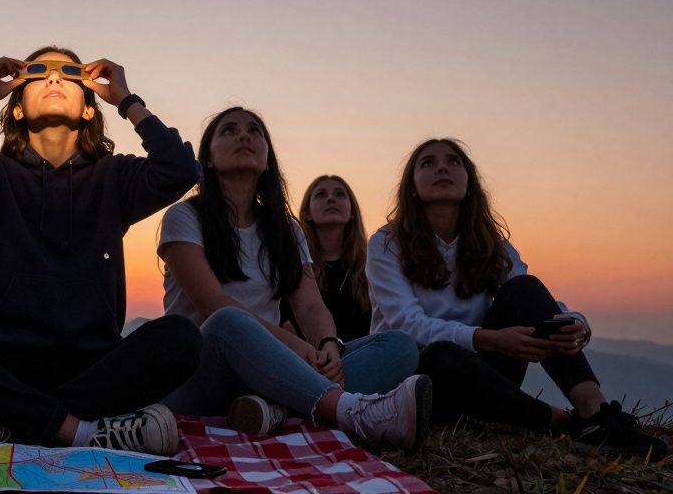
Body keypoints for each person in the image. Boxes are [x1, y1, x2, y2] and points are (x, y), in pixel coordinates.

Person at [0, 47, 202, 455]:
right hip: (3, 363)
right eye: (38, 72)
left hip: (94, 363)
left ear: (89, 109)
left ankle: (4, 424)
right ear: (17, 107)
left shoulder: (117, 177)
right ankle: (80, 430)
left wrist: (126, 99)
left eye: (70, 74)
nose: (54, 79)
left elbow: (180, 169)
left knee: (182, 338)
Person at [367, 138, 668, 459]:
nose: (442, 167)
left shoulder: (488, 244)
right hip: (422, 380)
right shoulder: (387, 243)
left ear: (470, 184)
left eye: (453, 162)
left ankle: (595, 415)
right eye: (427, 163)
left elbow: (532, 300)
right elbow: (407, 325)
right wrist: (490, 340)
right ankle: (560, 421)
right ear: (412, 186)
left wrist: (576, 324)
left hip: (484, 372)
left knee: (524, 287)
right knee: (440, 354)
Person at [159, 107, 429, 451]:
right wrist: (300, 349)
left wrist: (328, 346)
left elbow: (311, 305)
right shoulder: (184, 217)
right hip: (201, 373)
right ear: (208, 160)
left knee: (399, 345)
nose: (245, 136)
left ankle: (274, 410)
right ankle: (352, 413)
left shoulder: (285, 229)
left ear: (268, 158)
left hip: (268, 375)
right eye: (228, 131)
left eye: (255, 131)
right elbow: (211, 303)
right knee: (229, 320)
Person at [283, 175, 372, 342]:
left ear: (352, 212)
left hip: (361, 354)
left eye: (339, 194)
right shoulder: (294, 264)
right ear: (307, 214)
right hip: (307, 359)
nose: (331, 199)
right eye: (321, 195)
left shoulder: (371, 266)